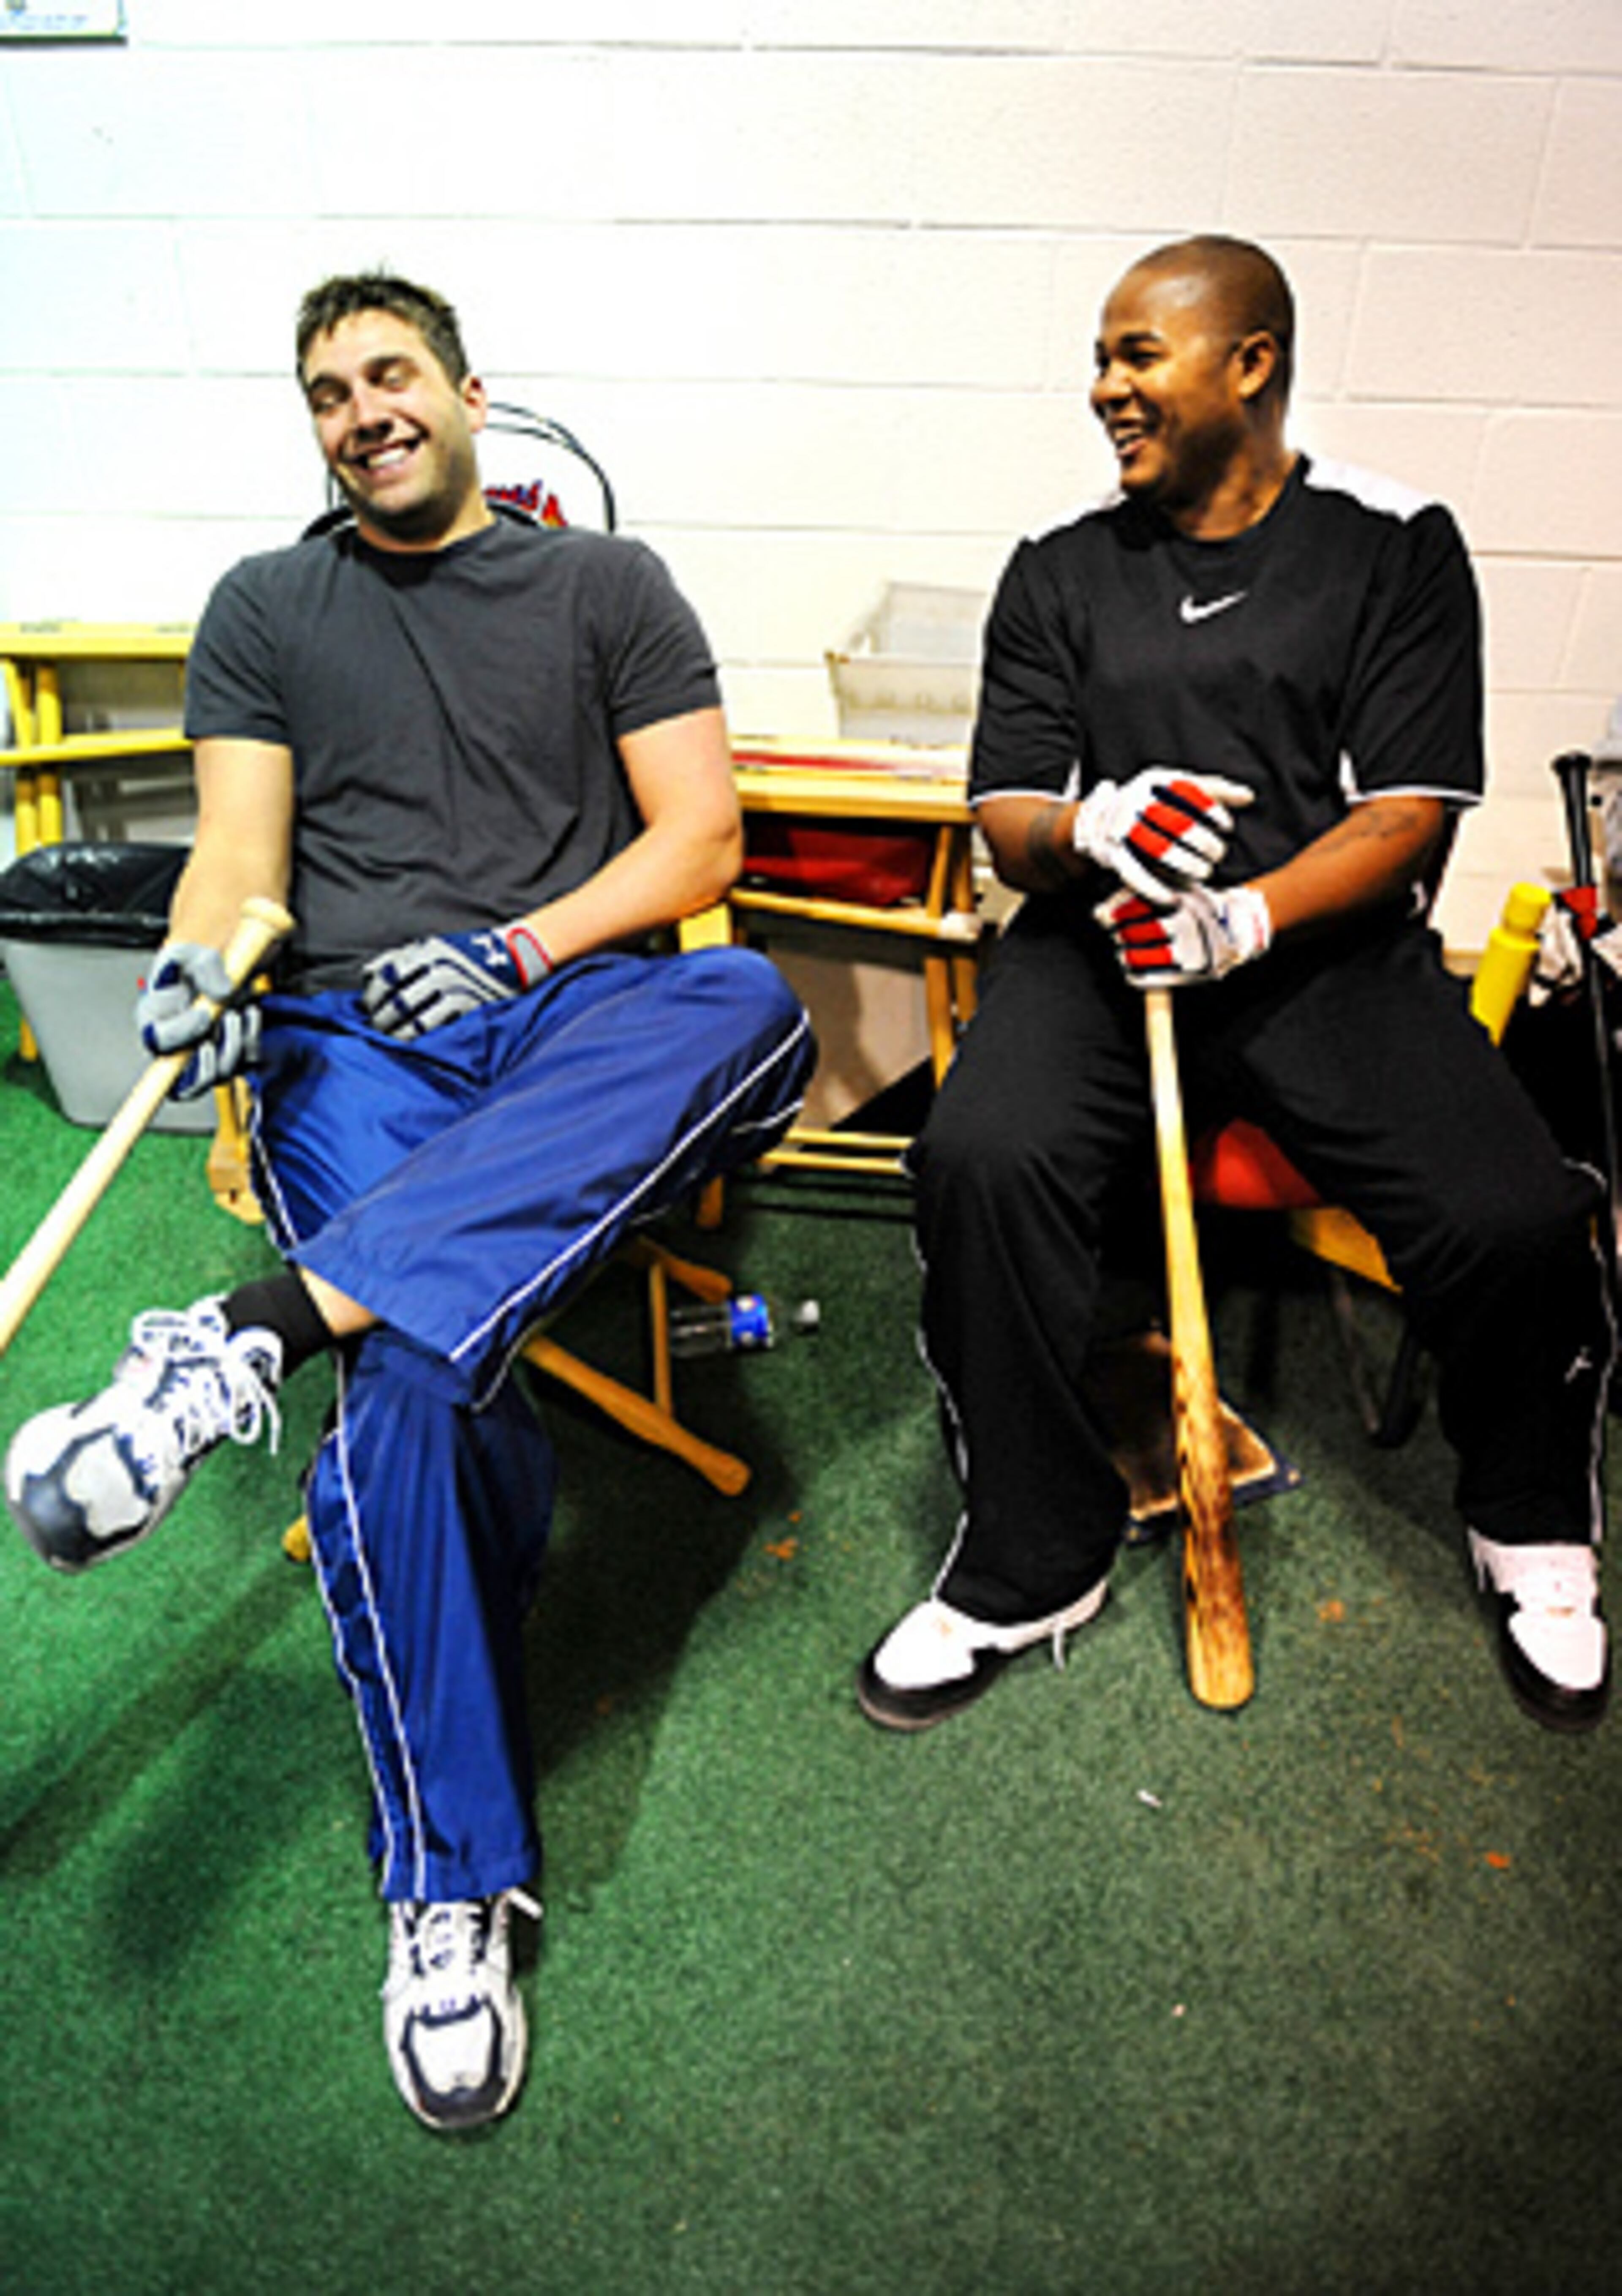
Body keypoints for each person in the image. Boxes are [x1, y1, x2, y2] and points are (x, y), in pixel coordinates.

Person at [3, 273, 814, 2131]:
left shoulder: (611, 586)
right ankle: (450, 1888)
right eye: (324, 392)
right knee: (421, 1403)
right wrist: (196, 972)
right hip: (356, 1033)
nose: (359, 409)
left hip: (572, 1013)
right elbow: (236, 859)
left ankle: (238, 1346)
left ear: (467, 390)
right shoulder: (270, 606)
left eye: (388, 374)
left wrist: (522, 945)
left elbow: (702, 844)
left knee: (749, 998)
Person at [856, 234, 1611, 1740]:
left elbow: (1406, 816)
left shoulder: (1393, 543)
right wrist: (1085, 826)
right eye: (1102, 357)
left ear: (1251, 361)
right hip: (1100, 944)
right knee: (974, 1157)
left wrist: (1246, 918)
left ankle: (1532, 1521)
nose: (1104, 389)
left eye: (1138, 355)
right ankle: (1030, 1552)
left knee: (1515, 1207)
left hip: (1318, 951)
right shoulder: (1060, 567)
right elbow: (1003, 806)